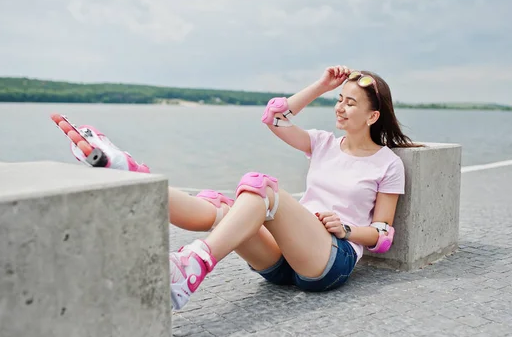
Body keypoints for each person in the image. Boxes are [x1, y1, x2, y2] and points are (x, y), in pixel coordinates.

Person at [51, 65, 419, 310]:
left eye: (350, 103)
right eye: (338, 99)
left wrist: (349, 229)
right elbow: (274, 116)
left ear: (373, 116)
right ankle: (137, 180)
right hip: (282, 263)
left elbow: (384, 234)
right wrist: (322, 85)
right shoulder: (322, 142)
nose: (339, 107)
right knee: (222, 208)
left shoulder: (386, 164)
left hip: (329, 261)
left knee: (263, 190)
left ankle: (191, 265)